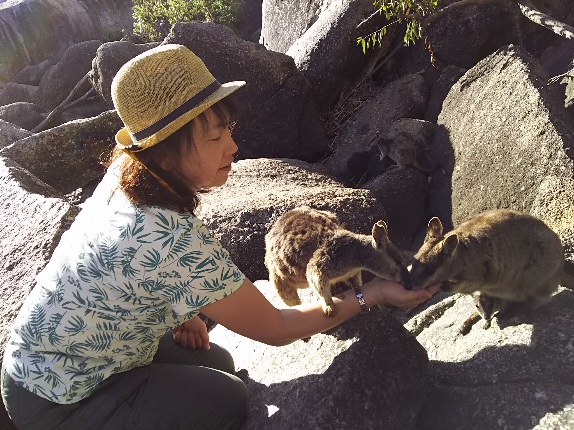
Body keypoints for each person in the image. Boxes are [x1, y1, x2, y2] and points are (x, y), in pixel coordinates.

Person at [1, 44, 439, 430]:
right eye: (214, 136)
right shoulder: (170, 238)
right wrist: (373, 296)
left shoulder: (125, 174)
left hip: (61, 350)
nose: (233, 146)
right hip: (56, 398)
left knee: (220, 362)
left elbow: (121, 268)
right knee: (228, 400)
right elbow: (275, 328)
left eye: (227, 127)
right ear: (165, 155)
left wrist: (179, 308)